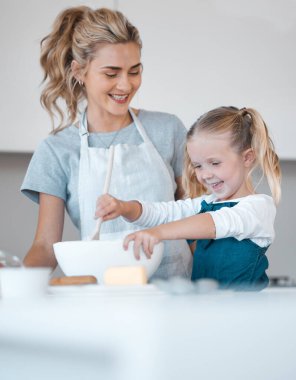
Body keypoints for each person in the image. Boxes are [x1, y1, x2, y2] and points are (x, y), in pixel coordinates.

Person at [21, 6, 192, 279]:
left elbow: (198, 215)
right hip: (102, 296)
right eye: (111, 74)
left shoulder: (168, 129)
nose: (125, 85)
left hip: (176, 291)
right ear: (79, 71)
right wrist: (13, 287)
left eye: (134, 71)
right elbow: (45, 247)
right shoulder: (57, 150)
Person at [96, 106, 281, 290]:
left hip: (246, 312)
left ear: (247, 158)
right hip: (208, 310)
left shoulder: (258, 208)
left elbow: (213, 223)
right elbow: (164, 212)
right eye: (198, 166)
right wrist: (124, 207)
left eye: (215, 163)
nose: (205, 175)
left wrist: (158, 233)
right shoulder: (206, 204)